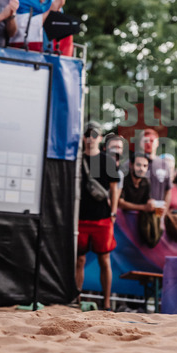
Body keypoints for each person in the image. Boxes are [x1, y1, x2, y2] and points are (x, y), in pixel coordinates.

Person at [75, 121, 120, 310]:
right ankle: (75, 298)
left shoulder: (107, 161)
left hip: (102, 218)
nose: (90, 138)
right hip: (80, 218)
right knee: (79, 259)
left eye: (94, 134)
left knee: (105, 260)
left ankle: (107, 303)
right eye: (87, 134)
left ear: (100, 138)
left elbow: (114, 188)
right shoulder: (76, 160)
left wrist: (113, 212)